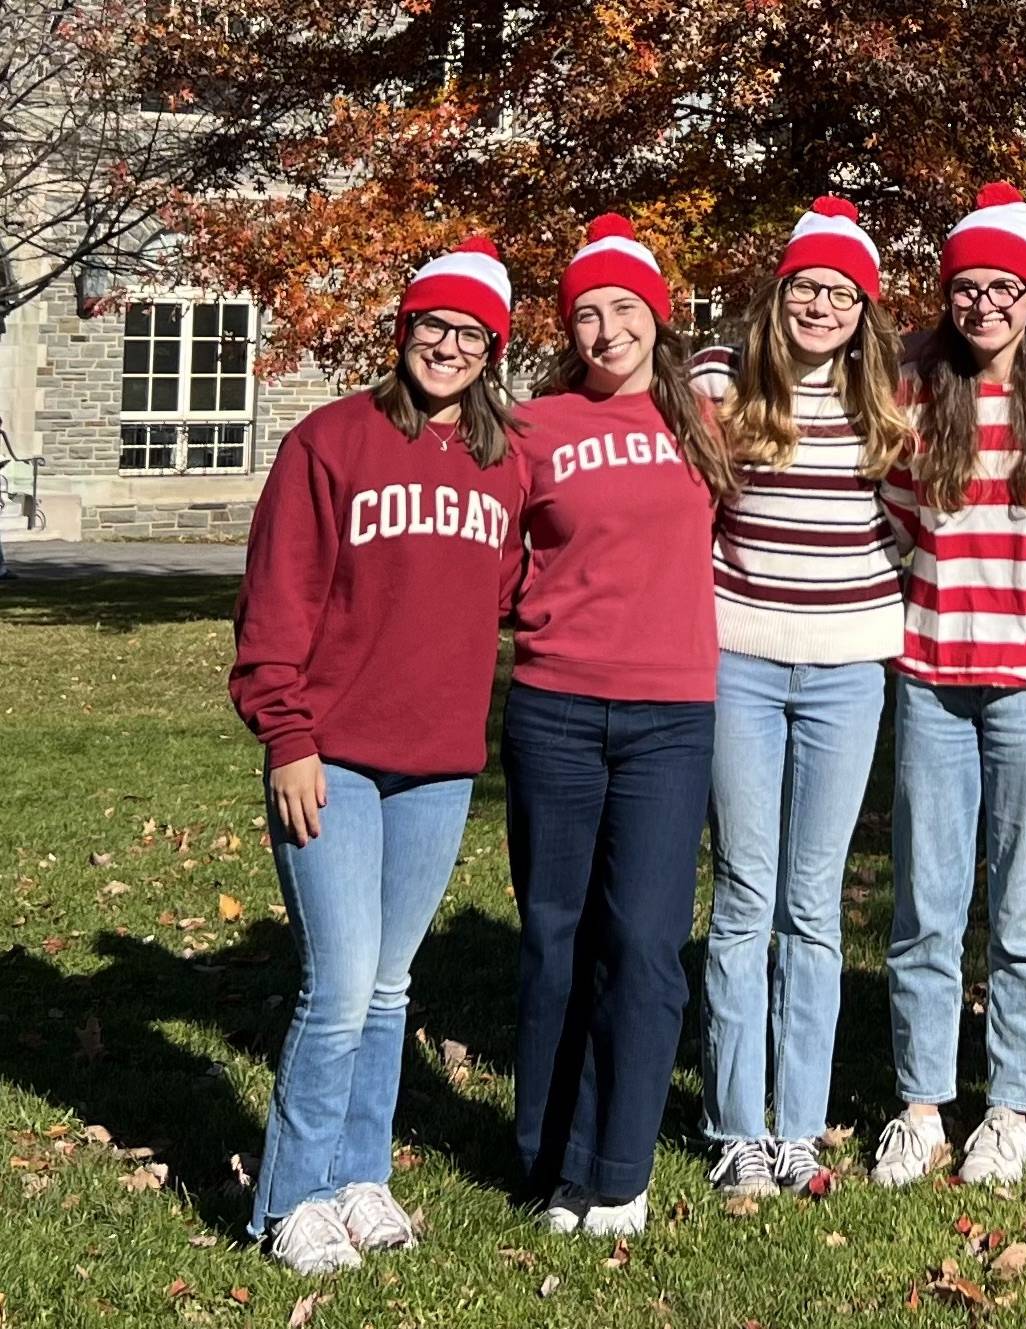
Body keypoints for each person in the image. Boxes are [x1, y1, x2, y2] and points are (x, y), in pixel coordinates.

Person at [229, 237, 522, 1272]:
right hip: (333, 758)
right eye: (430, 326)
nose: (447, 345)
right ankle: (289, 1200)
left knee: (392, 984)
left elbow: (500, 595)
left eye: (468, 333)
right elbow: (276, 603)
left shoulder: (504, 462)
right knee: (341, 981)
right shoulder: (329, 442)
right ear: (402, 333)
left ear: (493, 349)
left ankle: (360, 1179)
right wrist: (289, 736)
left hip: (438, 765)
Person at [503, 215, 736, 1238]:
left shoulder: (702, 421)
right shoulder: (531, 427)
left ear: (657, 315)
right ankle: (550, 1160)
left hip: (668, 717)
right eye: (586, 315)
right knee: (558, 940)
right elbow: (486, 555)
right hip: (553, 708)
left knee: (643, 944)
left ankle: (620, 1165)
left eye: (623, 310)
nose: (606, 330)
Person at [693, 196, 909, 1198]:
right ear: (777, 296)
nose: (820, 304)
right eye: (805, 287)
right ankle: (736, 1127)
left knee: (813, 904)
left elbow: (916, 517)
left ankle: (798, 1124)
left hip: (848, 668)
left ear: (864, 309)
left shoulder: (889, 402)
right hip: (738, 659)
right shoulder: (720, 384)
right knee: (743, 896)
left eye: (840, 292)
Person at [869, 184, 1026, 1188]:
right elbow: (897, 518)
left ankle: (1009, 1105)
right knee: (926, 901)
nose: (984, 305)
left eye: (1004, 288)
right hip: (931, 676)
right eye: (966, 288)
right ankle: (919, 1103)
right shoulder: (917, 391)